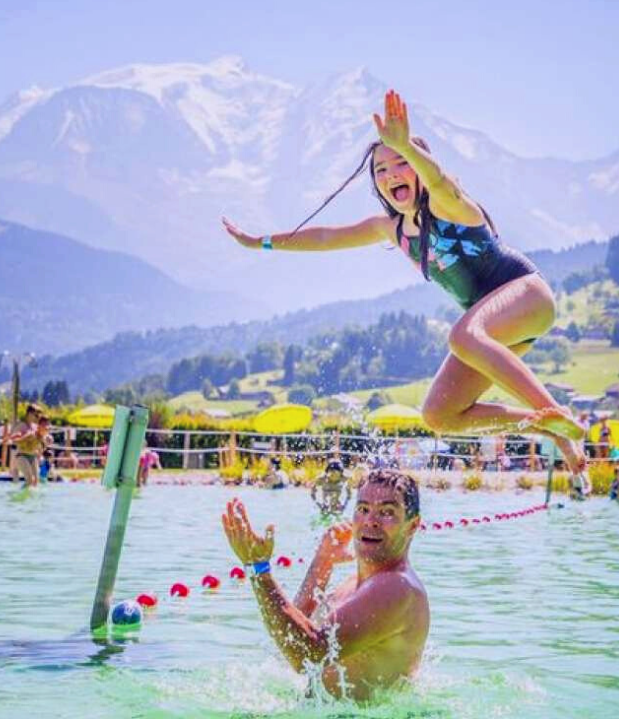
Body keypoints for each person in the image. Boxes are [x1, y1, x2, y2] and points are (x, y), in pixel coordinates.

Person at [221, 89, 587, 481]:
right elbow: (326, 237)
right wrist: (261, 241)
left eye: (401, 163)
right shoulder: (391, 229)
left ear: (418, 167)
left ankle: (557, 414)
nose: (391, 173)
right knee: (441, 415)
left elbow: (440, 180)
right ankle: (542, 424)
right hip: (496, 329)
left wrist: (407, 146)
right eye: (381, 170)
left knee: (462, 336)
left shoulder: (448, 205)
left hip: (526, 295)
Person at [222, 469, 429, 702]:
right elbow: (291, 637)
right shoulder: (356, 585)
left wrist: (258, 569)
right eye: (363, 509)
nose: (371, 521)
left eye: (387, 512)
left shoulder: (396, 588)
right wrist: (322, 563)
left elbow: (307, 654)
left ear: (412, 525)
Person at [3, 407, 48, 488]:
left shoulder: (35, 427)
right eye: (36, 414)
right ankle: (19, 496)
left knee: (35, 483)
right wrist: (17, 439)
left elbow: (40, 441)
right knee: (29, 480)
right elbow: (15, 436)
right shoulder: (22, 425)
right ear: (29, 414)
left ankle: (30, 498)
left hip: (33, 456)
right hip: (22, 456)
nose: (37, 416)